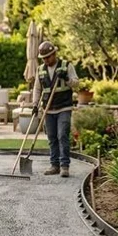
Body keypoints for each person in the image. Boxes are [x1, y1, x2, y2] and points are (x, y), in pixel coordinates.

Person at [31, 41, 79, 177]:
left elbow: (77, 84)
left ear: (54, 54)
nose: (46, 60)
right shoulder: (40, 69)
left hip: (64, 106)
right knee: (51, 137)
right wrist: (35, 104)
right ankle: (54, 165)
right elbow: (37, 88)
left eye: (48, 57)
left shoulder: (66, 66)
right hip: (48, 108)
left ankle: (64, 166)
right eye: (44, 58)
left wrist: (67, 79)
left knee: (62, 135)